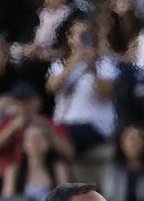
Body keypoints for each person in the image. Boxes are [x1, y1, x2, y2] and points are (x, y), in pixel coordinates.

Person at [45, 14, 119, 153]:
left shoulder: (105, 64)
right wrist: (73, 63)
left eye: (87, 34)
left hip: (94, 125)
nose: (84, 39)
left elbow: (105, 94)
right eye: (79, 35)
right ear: (70, 39)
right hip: (64, 124)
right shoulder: (60, 65)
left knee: (61, 137)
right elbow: (51, 88)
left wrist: (93, 68)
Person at [0, 82, 74, 183]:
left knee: (61, 169)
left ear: (37, 102)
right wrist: (11, 130)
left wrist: (46, 130)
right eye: (19, 103)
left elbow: (69, 153)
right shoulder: (6, 125)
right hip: (10, 180)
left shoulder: (49, 124)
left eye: (27, 102)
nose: (23, 107)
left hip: (44, 178)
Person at [3, 123, 71, 201]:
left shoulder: (59, 169)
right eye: (31, 138)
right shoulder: (13, 171)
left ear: (48, 143)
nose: (35, 142)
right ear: (24, 144)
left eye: (39, 137)